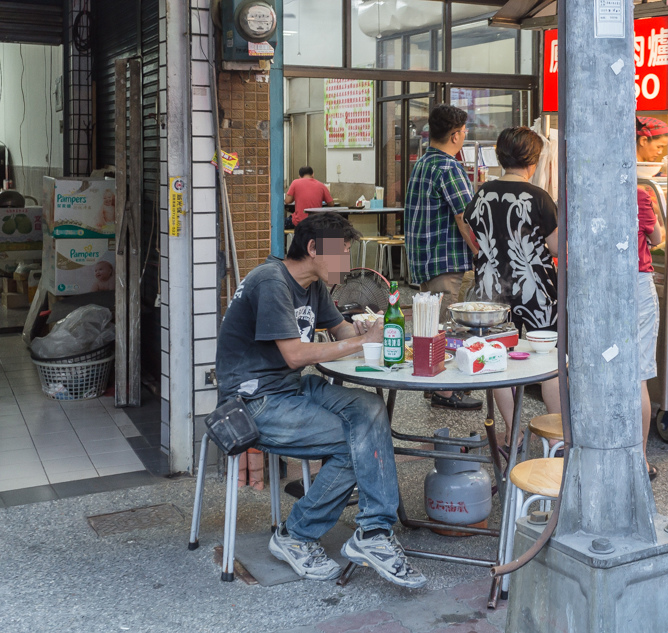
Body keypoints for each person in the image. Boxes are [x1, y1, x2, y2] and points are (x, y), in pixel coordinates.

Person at [214, 212, 427, 588]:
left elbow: (340, 330)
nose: (346, 263)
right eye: (341, 252)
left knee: (369, 409)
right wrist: (363, 342)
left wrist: (366, 329)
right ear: (313, 248)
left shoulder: (312, 285)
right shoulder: (272, 281)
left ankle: (374, 533)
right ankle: (296, 535)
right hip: (253, 402)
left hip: (290, 389)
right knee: (355, 441)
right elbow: (295, 355)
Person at [461, 127, 561, 450]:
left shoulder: (483, 193)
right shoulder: (539, 197)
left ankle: (512, 431)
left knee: (495, 357)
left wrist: (485, 255)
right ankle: (559, 435)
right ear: (533, 160)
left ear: (501, 157)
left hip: (491, 289)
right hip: (537, 291)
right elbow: (556, 247)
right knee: (550, 365)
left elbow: (468, 224)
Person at [404, 104, 481, 411]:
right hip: (445, 259)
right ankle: (444, 392)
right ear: (454, 135)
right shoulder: (449, 167)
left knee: (430, 323)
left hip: (424, 259)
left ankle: (433, 384)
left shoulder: (423, 163)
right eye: (464, 132)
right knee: (444, 325)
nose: (464, 136)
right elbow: (465, 217)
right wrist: (480, 251)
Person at [635, 116, 667, 481]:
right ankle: (640, 459)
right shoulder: (640, 193)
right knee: (638, 376)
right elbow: (656, 238)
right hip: (637, 284)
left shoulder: (584, 185)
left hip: (596, 287)